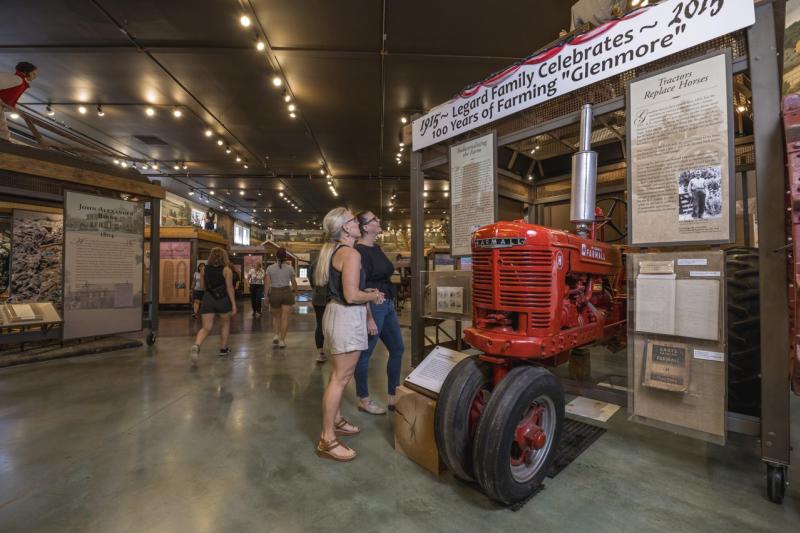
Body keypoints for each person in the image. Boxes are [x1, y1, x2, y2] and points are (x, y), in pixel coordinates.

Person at [315, 207, 385, 462]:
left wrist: (364, 292)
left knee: (337, 375)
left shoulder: (336, 251)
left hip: (337, 315)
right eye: (354, 220)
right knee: (341, 378)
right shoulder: (351, 254)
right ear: (345, 228)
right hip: (346, 316)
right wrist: (373, 295)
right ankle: (327, 439)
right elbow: (352, 295)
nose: (358, 223)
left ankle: (336, 420)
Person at [354, 211, 405, 414]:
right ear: (366, 227)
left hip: (388, 303)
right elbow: (361, 286)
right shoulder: (359, 252)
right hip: (374, 306)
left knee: (398, 349)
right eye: (374, 219)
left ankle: (393, 396)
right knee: (365, 354)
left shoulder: (376, 247)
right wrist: (368, 317)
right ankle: (363, 399)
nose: (378, 221)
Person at [190, 247, 237, 364]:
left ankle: (196, 345)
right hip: (223, 300)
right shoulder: (227, 270)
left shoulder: (204, 270)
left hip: (208, 299)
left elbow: (203, 287)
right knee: (225, 324)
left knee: (206, 328)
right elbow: (230, 288)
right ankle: (223, 349)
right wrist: (234, 304)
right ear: (224, 257)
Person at [265, 248, 297, 348]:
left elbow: (267, 284)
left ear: (276, 257)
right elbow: (294, 283)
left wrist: (266, 296)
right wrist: (294, 291)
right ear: (285, 257)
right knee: (285, 318)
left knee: (276, 317)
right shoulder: (290, 268)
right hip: (287, 292)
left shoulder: (270, 268)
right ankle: (282, 341)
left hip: (274, 292)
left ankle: (275, 335)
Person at [0, 62, 37, 141]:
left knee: (3, 131)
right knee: (3, 131)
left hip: (1, 106)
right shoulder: (17, 79)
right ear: (27, 72)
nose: (35, 76)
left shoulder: (21, 82)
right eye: (33, 73)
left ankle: (4, 142)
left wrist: (11, 107)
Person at [309, 255, 328, 363]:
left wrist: (316, 289)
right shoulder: (337, 258)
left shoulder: (315, 262)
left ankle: (320, 352)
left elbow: (311, 279)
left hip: (318, 297)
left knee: (320, 325)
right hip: (333, 298)